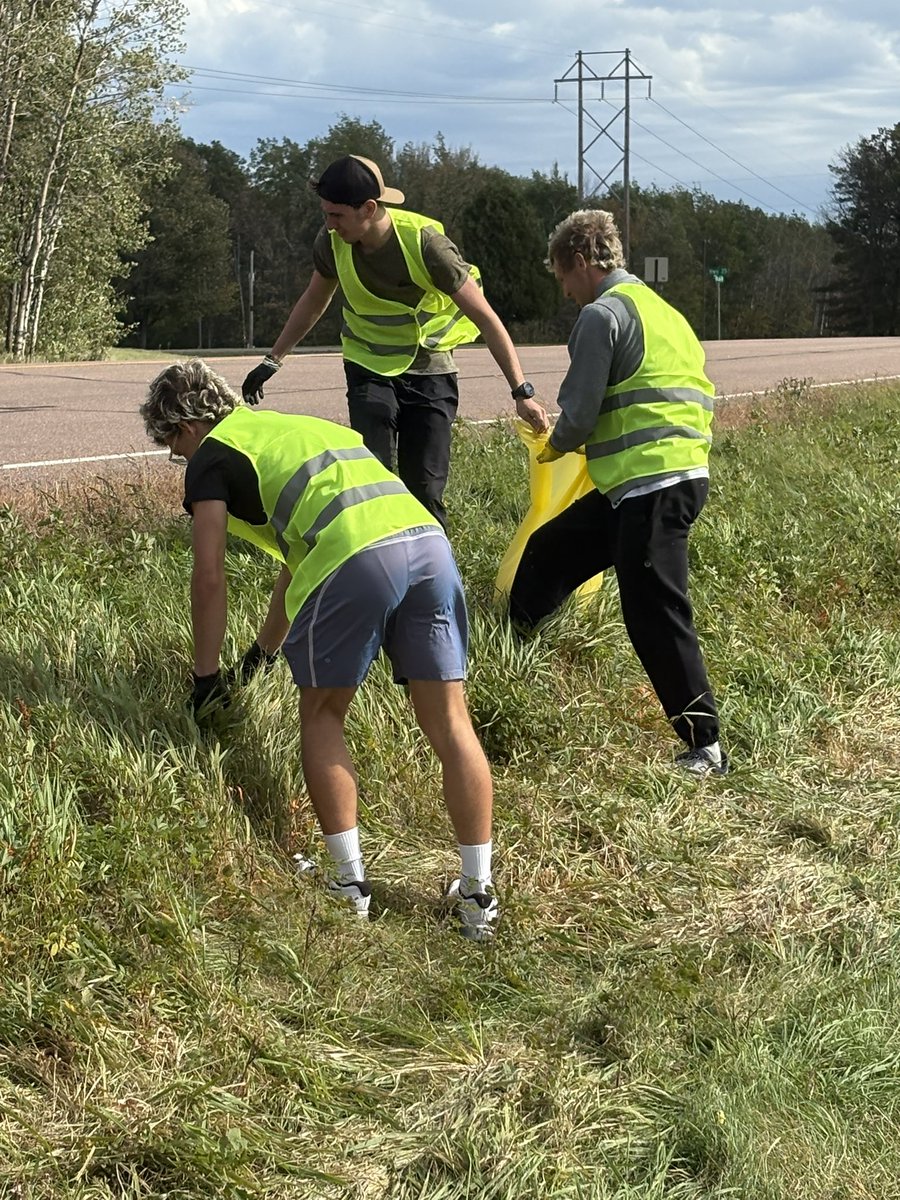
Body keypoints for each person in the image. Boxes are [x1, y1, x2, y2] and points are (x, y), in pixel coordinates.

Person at [140, 358, 499, 941]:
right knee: (450, 721)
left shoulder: (211, 458)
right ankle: (478, 895)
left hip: (357, 557)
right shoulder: (295, 431)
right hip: (428, 546)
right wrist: (257, 658)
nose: (179, 461)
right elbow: (298, 561)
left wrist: (206, 679)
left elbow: (209, 577)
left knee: (324, 714)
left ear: (183, 428)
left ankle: (348, 886)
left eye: (173, 448)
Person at [509, 209, 728, 777]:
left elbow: (578, 416)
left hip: (650, 487)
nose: (565, 291)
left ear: (581, 261)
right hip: (657, 482)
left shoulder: (600, 315)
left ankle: (705, 745)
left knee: (653, 608)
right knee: (549, 551)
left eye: (562, 277)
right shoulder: (666, 313)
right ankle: (510, 657)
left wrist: (549, 443)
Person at [240, 154, 548, 530]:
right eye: (326, 214)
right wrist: (273, 359)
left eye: (336, 215)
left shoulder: (427, 246)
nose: (329, 225)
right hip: (367, 364)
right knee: (373, 475)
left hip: (430, 368)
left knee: (425, 487)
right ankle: (374, 562)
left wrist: (521, 391)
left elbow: (485, 317)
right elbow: (313, 301)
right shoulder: (332, 242)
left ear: (369, 208)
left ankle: (434, 572)